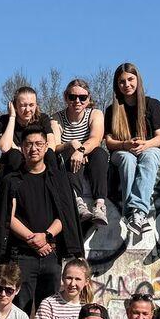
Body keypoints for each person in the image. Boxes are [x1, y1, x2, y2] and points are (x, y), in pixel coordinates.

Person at [0, 127, 85, 318]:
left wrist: (46, 236)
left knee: (47, 313)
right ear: (22, 148)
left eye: (38, 144)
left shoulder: (59, 179)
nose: (33, 148)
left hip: (51, 254)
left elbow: (65, 215)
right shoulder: (12, 180)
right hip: (21, 256)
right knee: (19, 312)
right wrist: (32, 240)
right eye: (28, 144)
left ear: (46, 146)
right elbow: (8, 217)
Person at [103, 63, 160, 236]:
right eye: (122, 82)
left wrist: (145, 144)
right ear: (117, 85)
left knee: (151, 156)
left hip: (148, 147)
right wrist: (125, 145)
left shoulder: (152, 104)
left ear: (138, 80)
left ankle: (137, 212)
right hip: (122, 150)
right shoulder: (112, 109)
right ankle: (134, 213)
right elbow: (109, 142)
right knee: (128, 159)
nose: (127, 85)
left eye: (130, 79)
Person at [51, 78, 109, 229]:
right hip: (67, 159)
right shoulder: (57, 118)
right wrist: (72, 144)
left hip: (89, 156)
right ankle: (77, 201)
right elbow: (55, 146)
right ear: (65, 97)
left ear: (88, 98)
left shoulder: (95, 114)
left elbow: (96, 138)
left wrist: (81, 151)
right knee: (69, 152)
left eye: (82, 97)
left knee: (100, 153)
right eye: (72, 97)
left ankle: (100, 205)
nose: (77, 101)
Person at [0, 85, 56, 178]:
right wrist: (12, 117)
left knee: (50, 154)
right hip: (13, 166)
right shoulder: (3, 120)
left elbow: (51, 145)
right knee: (14, 155)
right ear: (15, 106)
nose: (28, 110)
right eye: (23, 105)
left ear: (36, 105)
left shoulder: (43, 119)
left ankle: (54, 186)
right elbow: (4, 147)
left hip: (38, 161)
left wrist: (29, 152)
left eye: (31, 105)